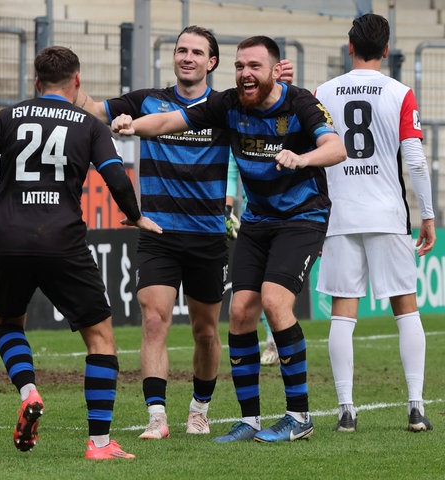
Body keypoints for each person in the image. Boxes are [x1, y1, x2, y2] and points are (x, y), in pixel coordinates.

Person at [112, 35, 347, 443]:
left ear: (276, 71)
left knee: (274, 302)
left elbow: (336, 147)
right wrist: (135, 126)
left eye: (254, 66)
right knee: (240, 313)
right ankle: (250, 420)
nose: (245, 74)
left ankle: (299, 415)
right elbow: (171, 120)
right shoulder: (227, 104)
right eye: (240, 66)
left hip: (301, 217)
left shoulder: (301, 104)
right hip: (257, 219)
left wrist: (301, 157)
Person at [76, 26, 294, 438]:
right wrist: (71, 87)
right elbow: (92, 108)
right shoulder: (146, 100)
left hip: (208, 235)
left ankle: (199, 408)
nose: (187, 57)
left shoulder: (226, 108)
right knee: (154, 320)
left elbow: (276, 119)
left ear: (212, 62)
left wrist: (279, 86)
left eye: (197, 52)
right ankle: (156, 416)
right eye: (181, 50)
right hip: (159, 232)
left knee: (206, 331)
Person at [0, 46, 162, 460]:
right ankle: (100, 444)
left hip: (11, 241)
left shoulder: (9, 117)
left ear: (36, 83)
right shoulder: (90, 126)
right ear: (77, 82)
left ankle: (29, 389)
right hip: (63, 242)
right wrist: (135, 216)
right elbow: (116, 180)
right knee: (100, 339)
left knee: (8, 323)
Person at [315, 13, 436, 433]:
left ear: (349, 48)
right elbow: (416, 161)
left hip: (340, 212)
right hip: (386, 212)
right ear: (386, 50)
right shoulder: (401, 93)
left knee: (342, 313)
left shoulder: (323, 92)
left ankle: (346, 411)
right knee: (405, 306)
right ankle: (416, 407)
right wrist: (428, 214)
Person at [225, 150, 278, 366]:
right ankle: (271, 340)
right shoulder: (239, 127)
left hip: (285, 218)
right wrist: (226, 210)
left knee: (272, 287)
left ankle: (275, 340)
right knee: (253, 288)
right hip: (252, 222)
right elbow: (231, 170)